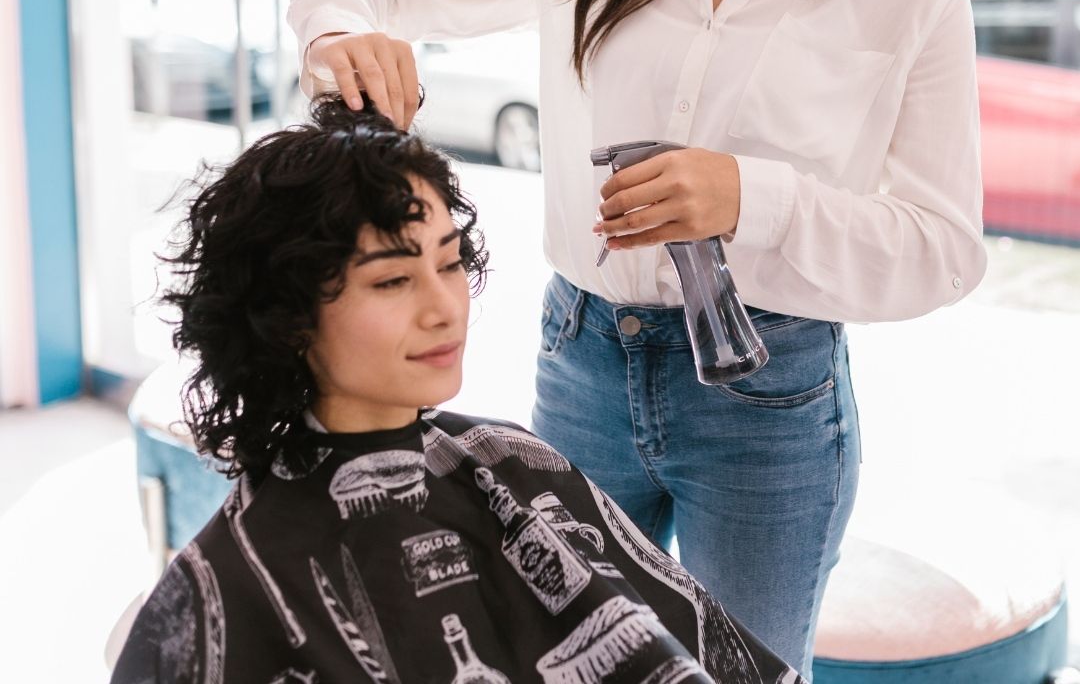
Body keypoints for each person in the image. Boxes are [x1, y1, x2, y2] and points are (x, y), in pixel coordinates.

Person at [285, 0, 987, 675]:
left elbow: (944, 248)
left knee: (741, 670)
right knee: (558, 661)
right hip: (581, 366)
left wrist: (752, 198)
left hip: (769, 400)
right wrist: (341, 29)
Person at [111, 95, 804, 684]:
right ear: (285, 318)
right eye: (392, 281)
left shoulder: (506, 460)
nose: (444, 307)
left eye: (449, 264)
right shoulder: (229, 586)